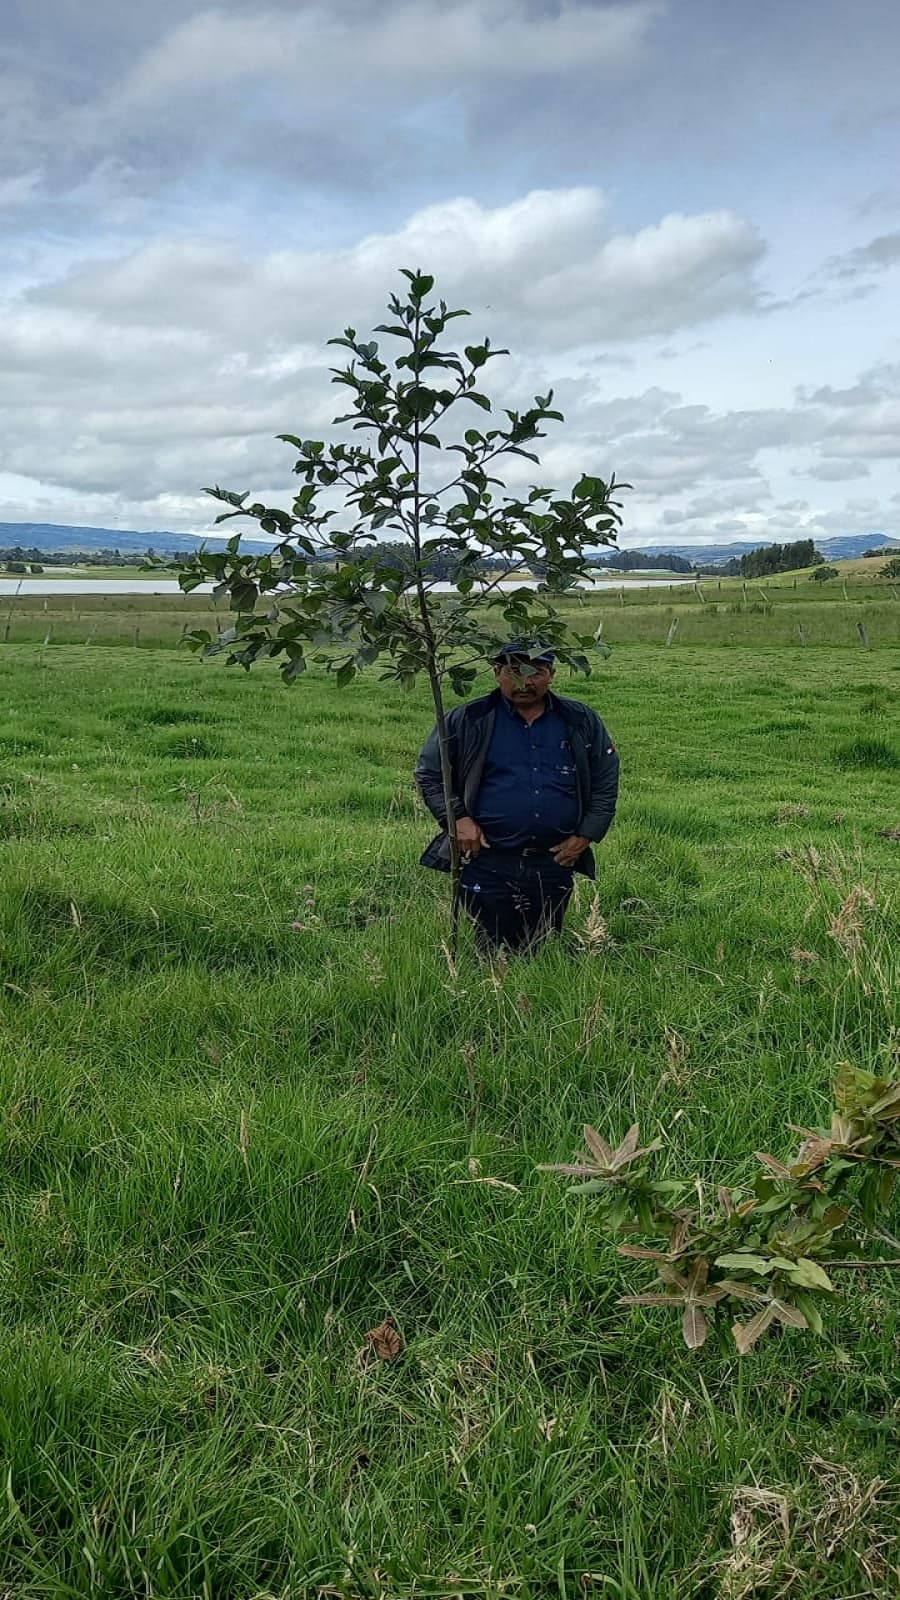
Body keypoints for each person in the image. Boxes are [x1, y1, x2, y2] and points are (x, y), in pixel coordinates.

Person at [415, 641, 619, 953]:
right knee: (490, 946)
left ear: (552, 674)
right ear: (497, 673)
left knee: (542, 945)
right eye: (514, 671)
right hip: (486, 857)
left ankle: (532, 998)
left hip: (554, 858)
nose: (524, 682)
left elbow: (605, 779)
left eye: (535, 672)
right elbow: (430, 774)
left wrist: (586, 835)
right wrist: (458, 819)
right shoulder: (468, 719)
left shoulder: (579, 720)